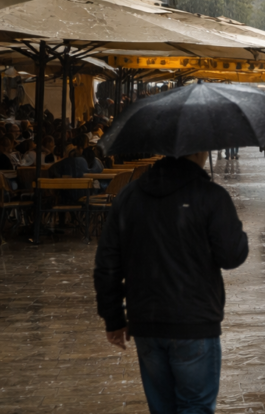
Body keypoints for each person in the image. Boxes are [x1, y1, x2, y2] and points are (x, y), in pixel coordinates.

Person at [94, 151, 248, 414]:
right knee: (195, 406)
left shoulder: (129, 196)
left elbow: (107, 262)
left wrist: (113, 318)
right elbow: (232, 256)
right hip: (194, 322)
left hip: (146, 321)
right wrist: (234, 230)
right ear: (199, 151)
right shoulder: (211, 196)